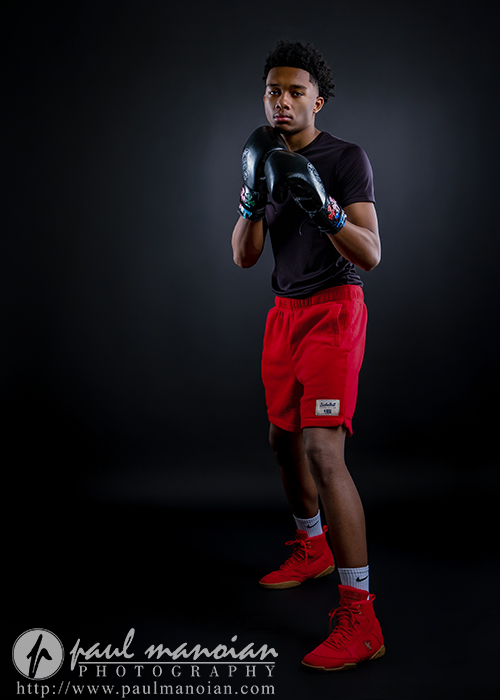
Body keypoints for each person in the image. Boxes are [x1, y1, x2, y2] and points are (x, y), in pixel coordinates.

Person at [231, 40, 385, 672]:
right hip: (283, 314)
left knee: (324, 449)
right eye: (274, 91)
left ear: (317, 100)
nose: (283, 101)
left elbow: (370, 254)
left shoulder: (346, 158)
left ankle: (361, 616)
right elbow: (243, 256)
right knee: (281, 439)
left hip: (334, 310)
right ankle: (311, 546)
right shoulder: (260, 158)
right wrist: (249, 196)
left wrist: (321, 209)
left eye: (296, 92)